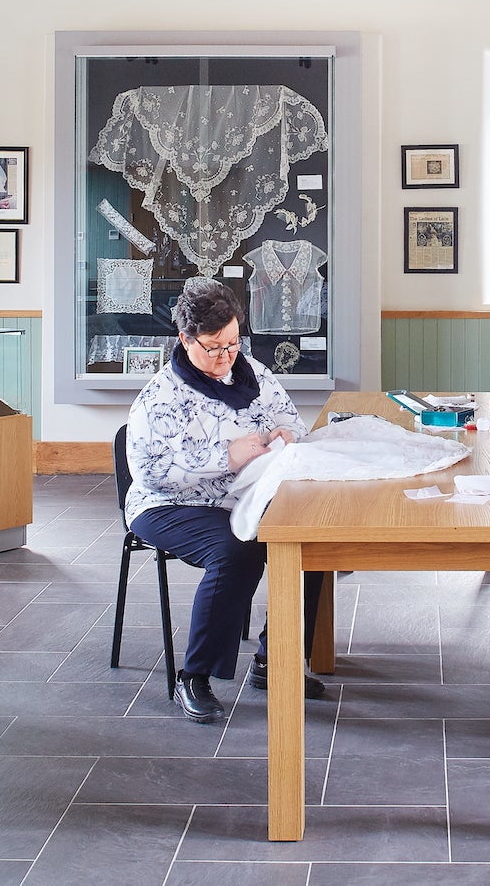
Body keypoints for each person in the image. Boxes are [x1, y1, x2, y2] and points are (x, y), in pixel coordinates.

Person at [124, 278, 327, 724]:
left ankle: (275, 659)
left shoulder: (253, 373)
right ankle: (193, 676)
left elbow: (294, 423)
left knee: (310, 538)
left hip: (241, 497)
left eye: (233, 344)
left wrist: (287, 436)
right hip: (168, 504)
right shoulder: (161, 396)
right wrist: (225, 457)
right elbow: (149, 472)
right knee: (238, 550)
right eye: (214, 347)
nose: (225, 357)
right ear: (185, 339)